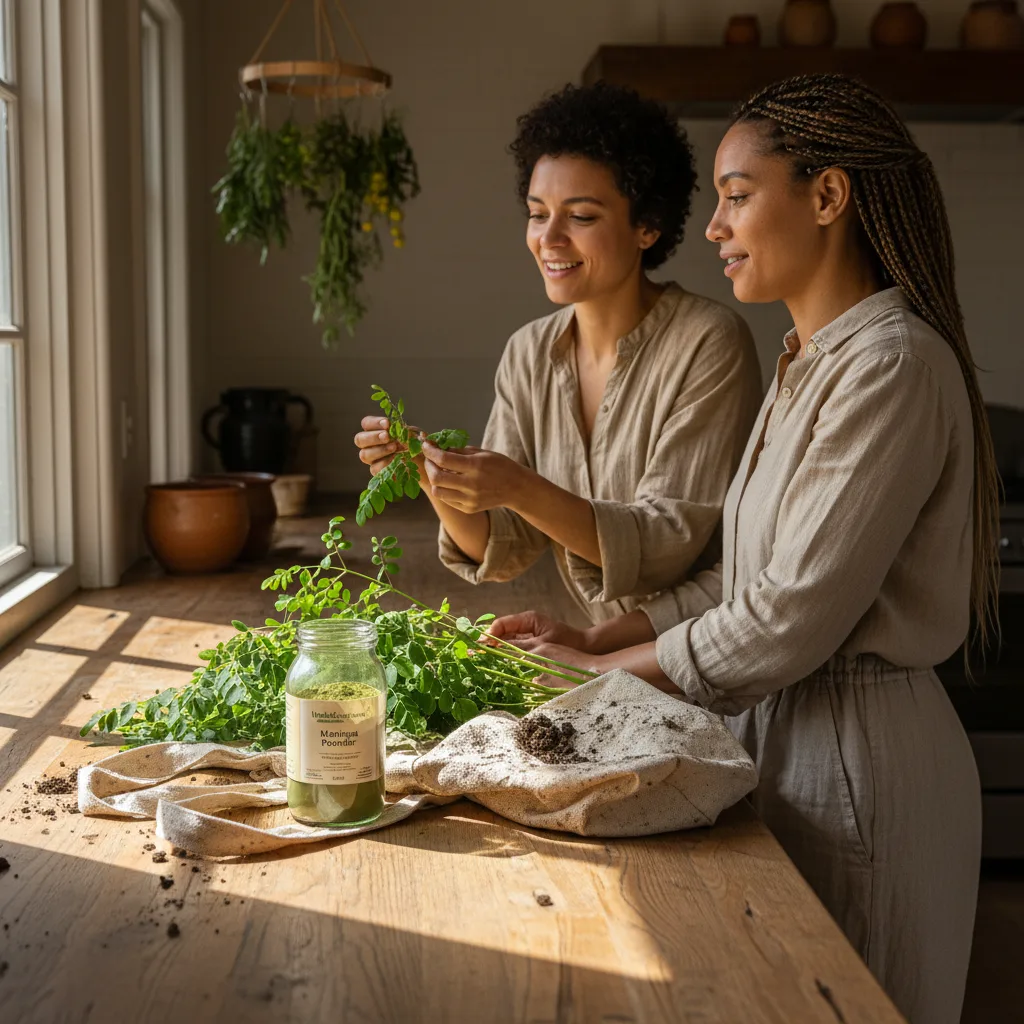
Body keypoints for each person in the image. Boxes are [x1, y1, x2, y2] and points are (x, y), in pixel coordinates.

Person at [490, 74, 997, 1024]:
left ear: (828, 196)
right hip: (781, 739)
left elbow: (785, 620)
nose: (714, 228)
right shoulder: (809, 361)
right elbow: (741, 579)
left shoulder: (889, 366)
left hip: (862, 765)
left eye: (736, 195)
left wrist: (610, 680)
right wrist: (604, 639)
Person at [354, 82, 762, 625]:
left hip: (708, 652)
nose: (549, 238)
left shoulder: (710, 341)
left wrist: (517, 485)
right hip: (601, 659)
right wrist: (434, 476)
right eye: (537, 212)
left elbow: (666, 548)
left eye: (582, 216)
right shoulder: (527, 353)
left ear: (648, 226)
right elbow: (500, 546)